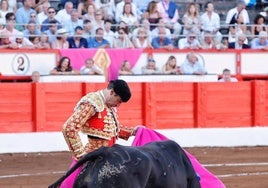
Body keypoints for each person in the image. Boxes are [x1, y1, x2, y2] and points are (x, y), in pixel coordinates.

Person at [60, 79, 139, 187]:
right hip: (94, 159)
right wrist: (80, 155)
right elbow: (69, 127)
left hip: (109, 157)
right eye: (119, 101)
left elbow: (111, 130)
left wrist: (132, 132)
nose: (118, 105)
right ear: (112, 92)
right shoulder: (92, 102)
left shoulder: (108, 105)